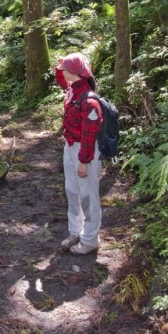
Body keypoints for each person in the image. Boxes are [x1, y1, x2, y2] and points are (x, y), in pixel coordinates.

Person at [54, 52, 103, 255]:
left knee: (88, 195)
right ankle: (76, 232)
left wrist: (83, 161)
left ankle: (90, 240)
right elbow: (59, 78)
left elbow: (89, 136)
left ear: (73, 72)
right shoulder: (72, 89)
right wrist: (61, 64)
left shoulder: (89, 101)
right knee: (72, 191)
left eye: (65, 68)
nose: (61, 72)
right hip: (71, 146)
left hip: (86, 151)